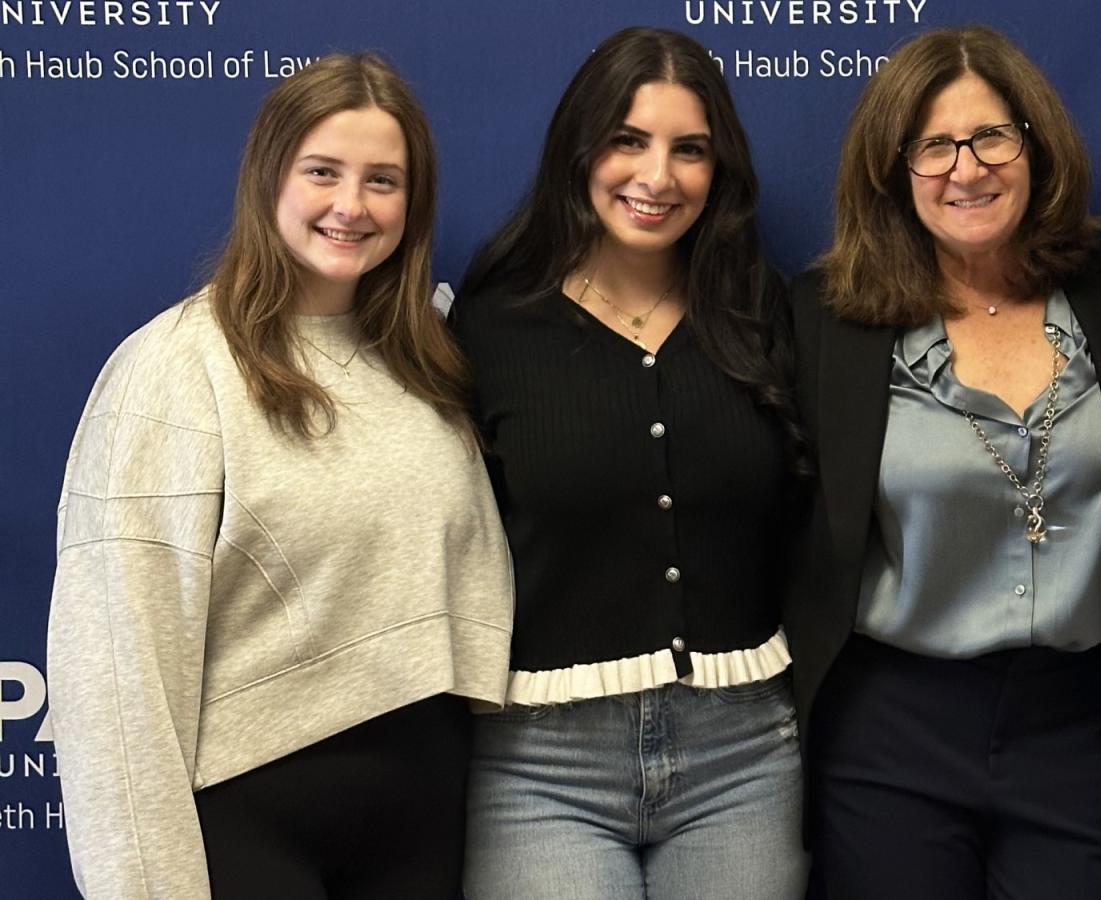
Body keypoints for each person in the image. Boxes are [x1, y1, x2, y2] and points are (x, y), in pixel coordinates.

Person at [47, 54, 514, 899]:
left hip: (425, 823)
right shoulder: (174, 371)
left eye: (383, 180)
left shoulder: (429, 365)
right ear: (269, 178)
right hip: (253, 828)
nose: (351, 205)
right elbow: (115, 671)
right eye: (323, 172)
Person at [787, 25, 1101, 899]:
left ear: (1036, 146)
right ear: (892, 168)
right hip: (892, 732)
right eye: (933, 146)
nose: (966, 168)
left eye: (991, 136)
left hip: (1081, 722)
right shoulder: (826, 320)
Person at [448, 27, 808, 900]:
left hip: (742, 757)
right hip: (543, 766)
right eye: (628, 140)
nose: (658, 177)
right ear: (581, 149)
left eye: (690, 150)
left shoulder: (760, 313)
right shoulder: (494, 327)